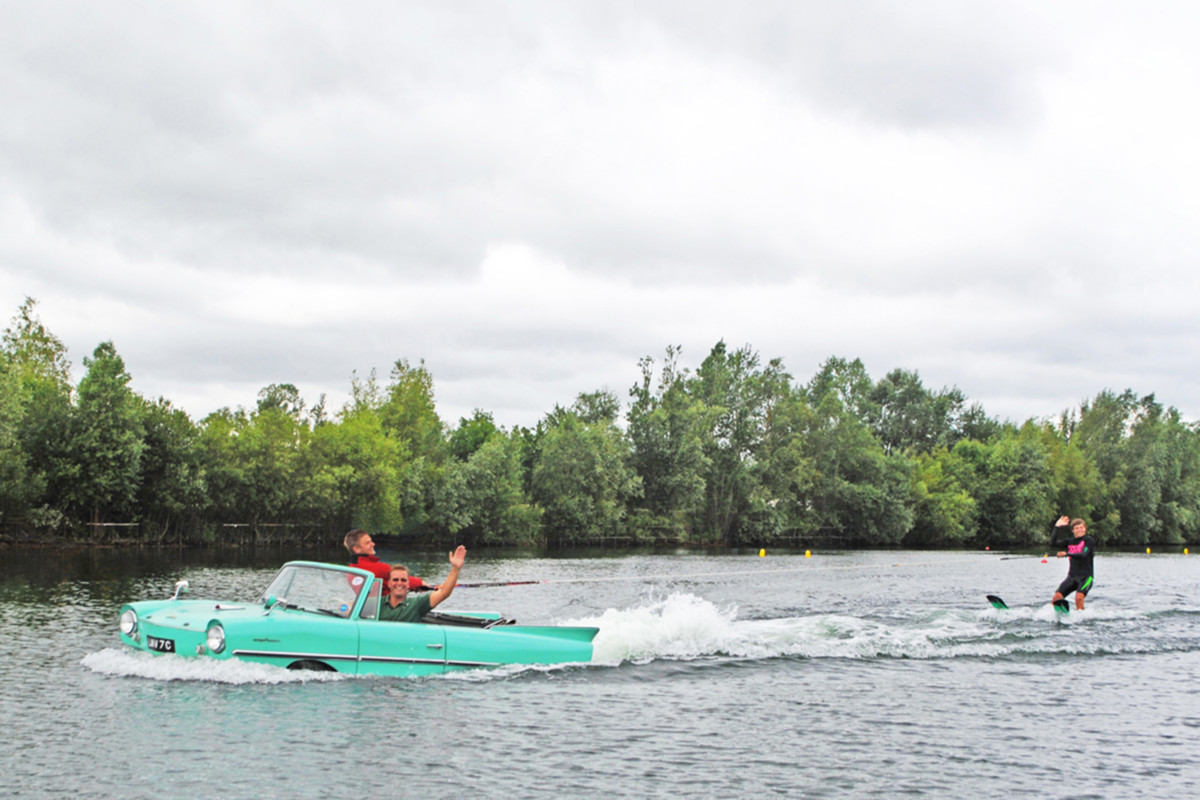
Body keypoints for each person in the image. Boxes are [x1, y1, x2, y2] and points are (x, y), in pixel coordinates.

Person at [378, 546, 467, 623]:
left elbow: (444, 592)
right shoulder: (376, 603)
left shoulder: (417, 604)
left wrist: (456, 568)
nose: (399, 583)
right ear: (389, 583)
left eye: (403, 580)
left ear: (408, 584)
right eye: (395, 580)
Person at [344, 529, 429, 591]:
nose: (373, 544)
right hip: (386, 608)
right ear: (357, 549)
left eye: (371, 541)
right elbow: (404, 580)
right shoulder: (380, 568)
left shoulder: (351, 570)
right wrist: (420, 583)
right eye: (367, 543)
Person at [1050, 515, 1096, 610]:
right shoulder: (1069, 541)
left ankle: (1080, 616)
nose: (1079, 530)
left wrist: (1067, 554)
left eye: (1081, 527)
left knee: (1079, 598)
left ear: (1085, 529)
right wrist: (1057, 526)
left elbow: (1083, 554)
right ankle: (1054, 615)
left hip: (1086, 577)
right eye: (1076, 528)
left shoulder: (1089, 541)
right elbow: (1052, 543)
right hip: (1072, 576)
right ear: (1073, 530)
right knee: (1056, 597)